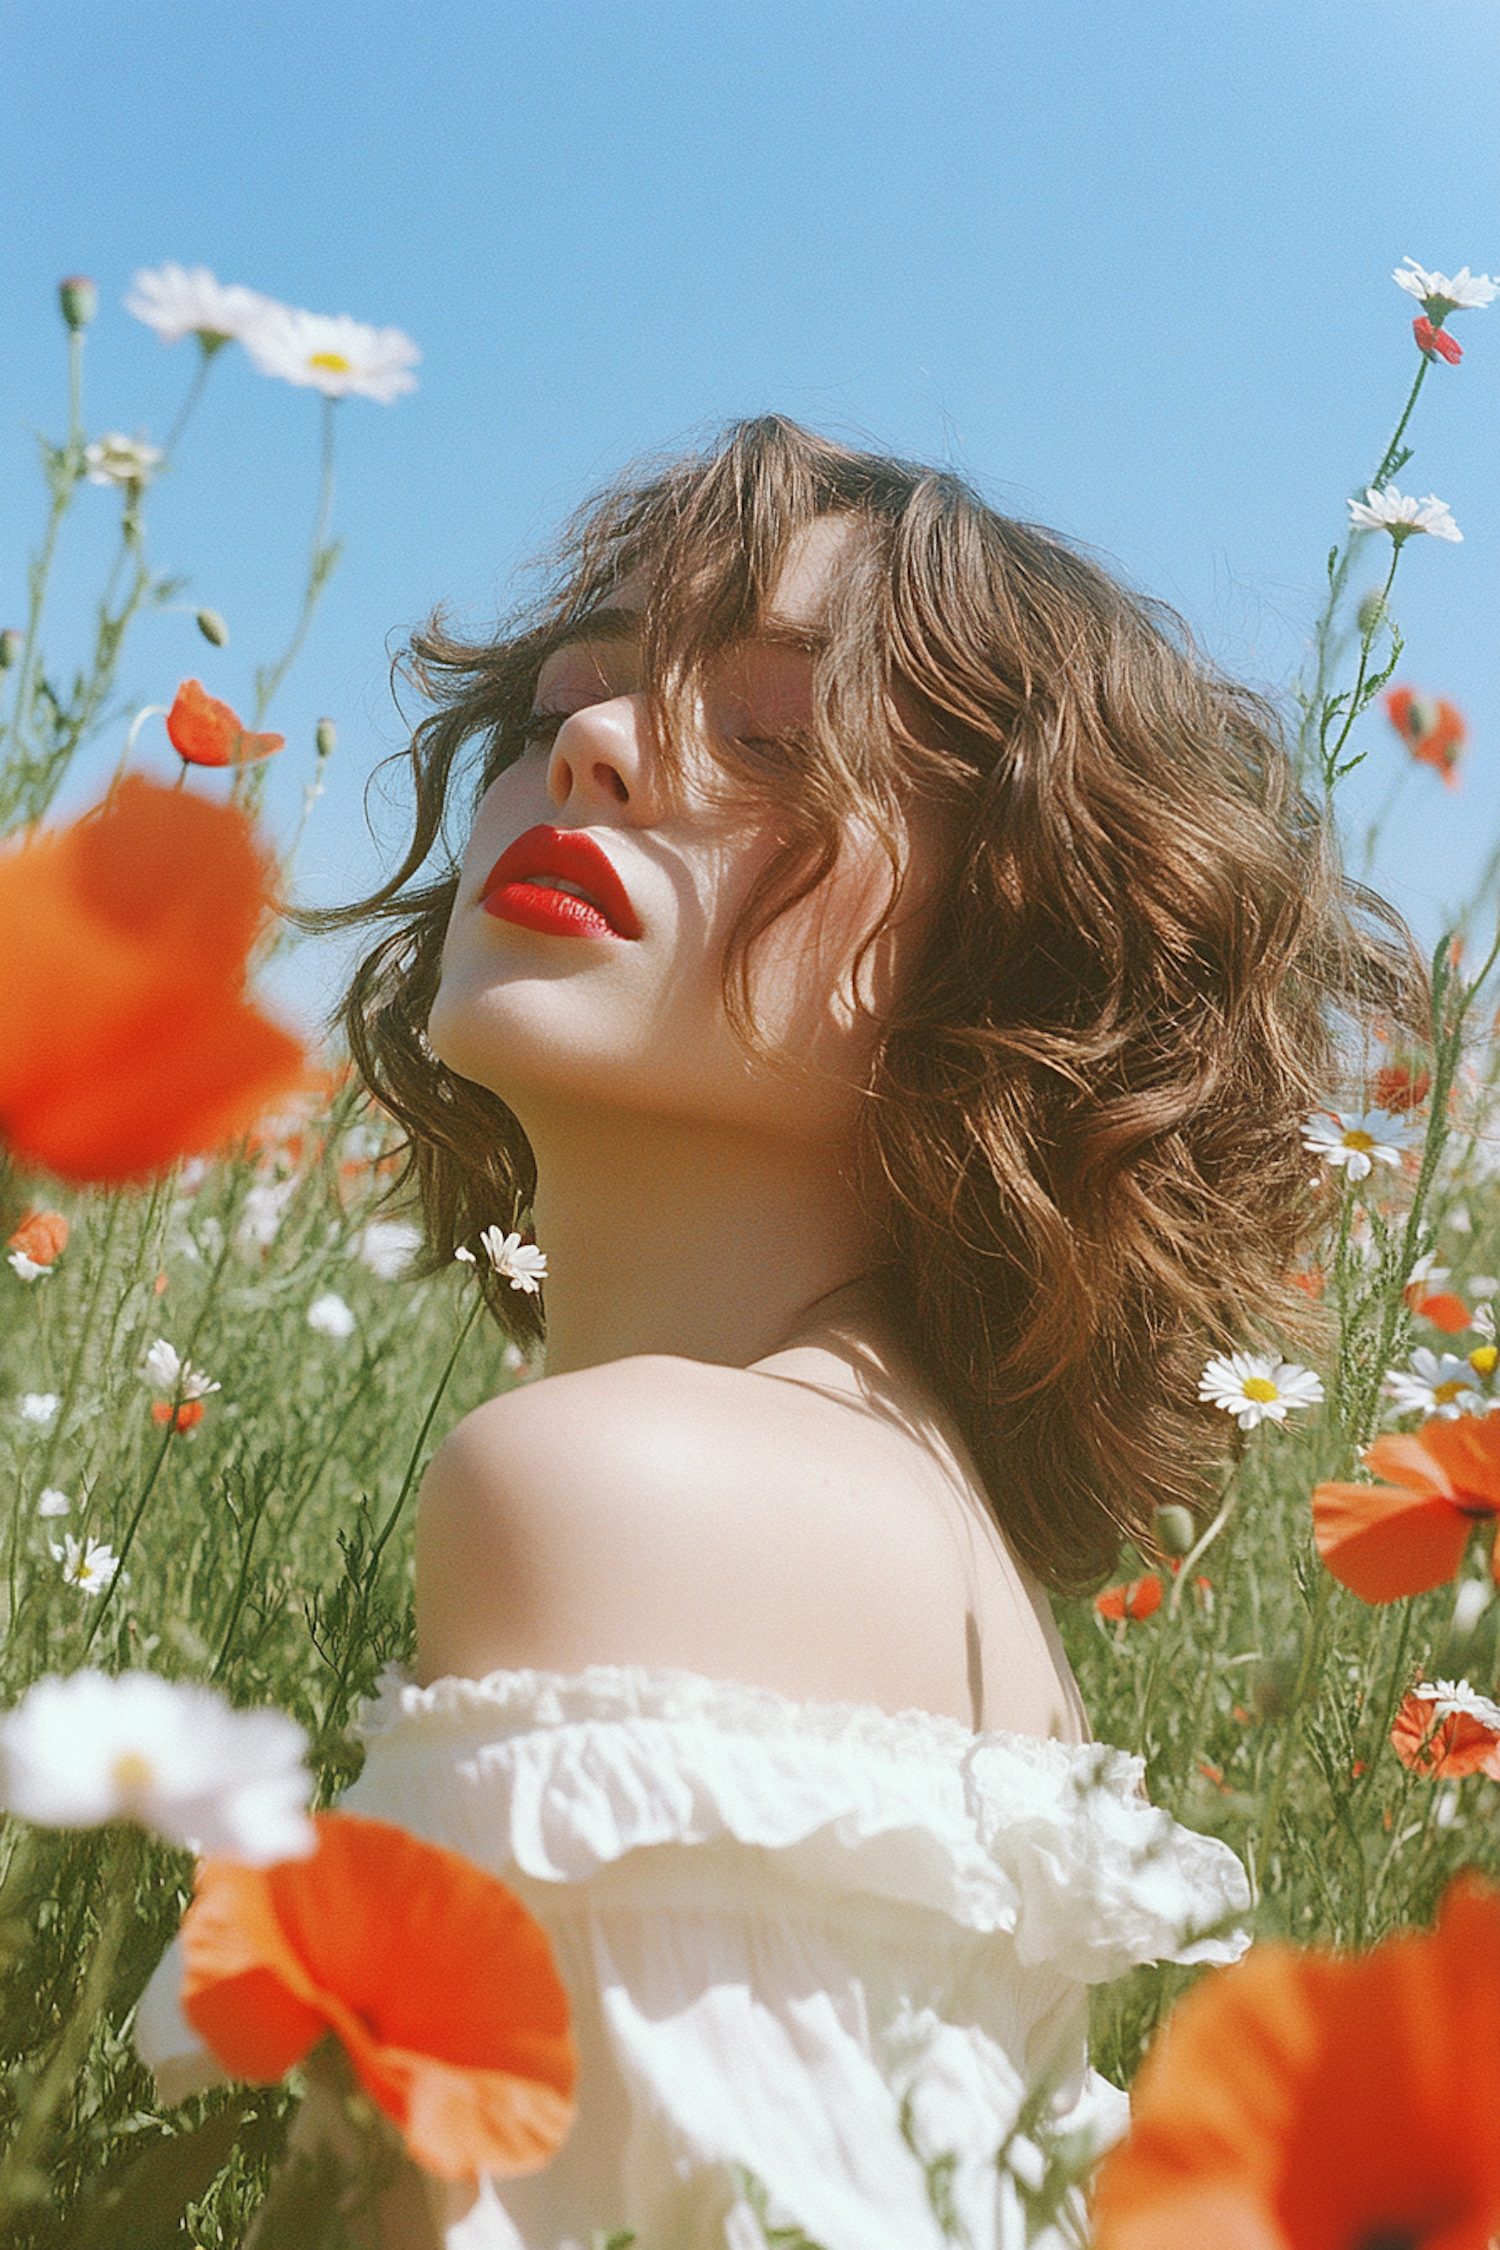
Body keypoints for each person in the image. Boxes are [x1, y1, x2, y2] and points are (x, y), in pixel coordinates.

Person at [159, 418, 1410, 2246]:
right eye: (565, 702)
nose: (587, 746)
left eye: (770, 737)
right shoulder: (897, 1515)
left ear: (1008, 946)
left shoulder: (633, 1493)